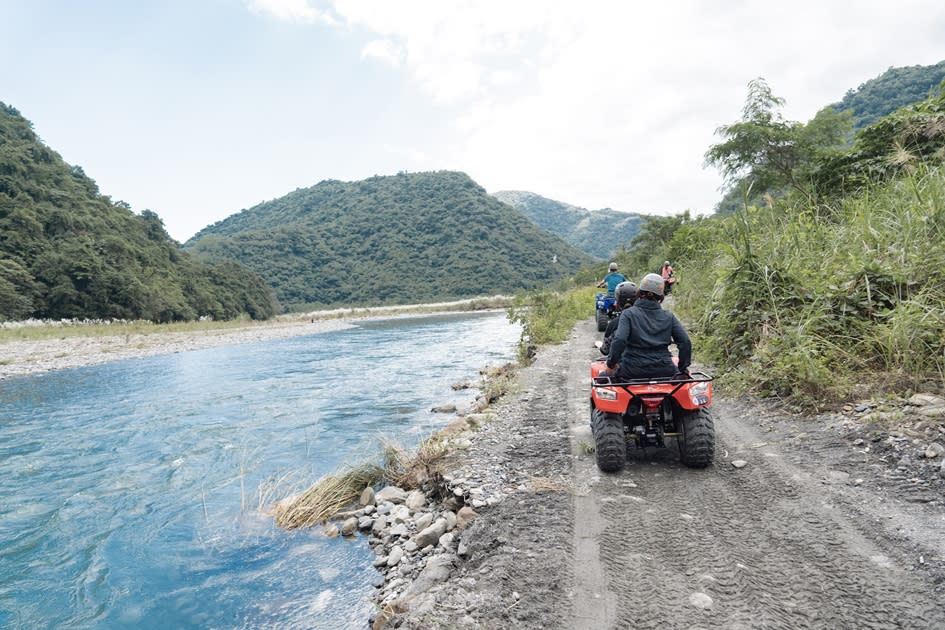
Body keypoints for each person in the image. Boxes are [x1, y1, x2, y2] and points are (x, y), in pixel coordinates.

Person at [604, 273, 691, 380]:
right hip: (664, 369)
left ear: (639, 292)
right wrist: (682, 368)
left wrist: (611, 364)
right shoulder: (669, 316)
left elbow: (620, 340)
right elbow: (685, 342)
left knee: (601, 380)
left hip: (632, 370)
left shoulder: (628, 314)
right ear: (661, 296)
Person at [599, 281, 637, 355]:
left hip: (624, 363)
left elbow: (605, 350)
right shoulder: (647, 319)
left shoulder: (614, 323)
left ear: (618, 299)